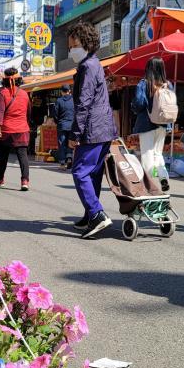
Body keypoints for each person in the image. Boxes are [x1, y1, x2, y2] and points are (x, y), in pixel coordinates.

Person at [67, 22, 117, 239]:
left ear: (86, 44)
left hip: (93, 129)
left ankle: (97, 215)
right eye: (70, 47)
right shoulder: (94, 64)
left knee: (79, 171)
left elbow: (84, 104)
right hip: (103, 128)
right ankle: (90, 215)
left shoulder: (88, 67)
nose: (71, 50)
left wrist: (74, 134)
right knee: (93, 173)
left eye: (74, 45)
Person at [131, 57, 171, 192]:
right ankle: (163, 177)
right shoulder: (167, 85)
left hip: (146, 124)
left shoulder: (144, 83)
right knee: (157, 154)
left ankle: (150, 184)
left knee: (147, 154)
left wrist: (134, 107)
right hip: (162, 124)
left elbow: (139, 103)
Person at [0, 68, 31, 191]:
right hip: (22, 129)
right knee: (23, 156)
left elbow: (0, 110)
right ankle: (25, 181)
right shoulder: (25, 94)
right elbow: (29, 112)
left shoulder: (3, 93)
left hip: (6, 129)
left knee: (3, 155)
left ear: (5, 80)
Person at [54, 84, 75, 169]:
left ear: (62, 92)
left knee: (62, 144)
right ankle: (69, 157)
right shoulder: (74, 100)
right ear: (69, 91)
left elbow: (55, 114)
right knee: (70, 142)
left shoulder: (59, 101)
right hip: (72, 125)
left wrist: (57, 122)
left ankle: (62, 164)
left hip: (62, 125)